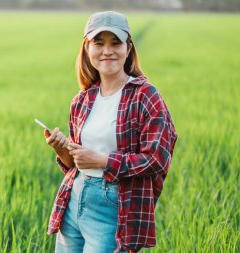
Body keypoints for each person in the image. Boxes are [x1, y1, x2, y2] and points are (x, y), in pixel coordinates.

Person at [43, 11, 178, 253]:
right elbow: (74, 164)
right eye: (99, 43)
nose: (107, 51)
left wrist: (102, 161)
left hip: (114, 205)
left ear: (128, 48)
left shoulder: (146, 96)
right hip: (73, 201)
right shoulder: (82, 100)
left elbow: (157, 159)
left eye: (115, 42)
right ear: (87, 49)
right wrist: (60, 148)